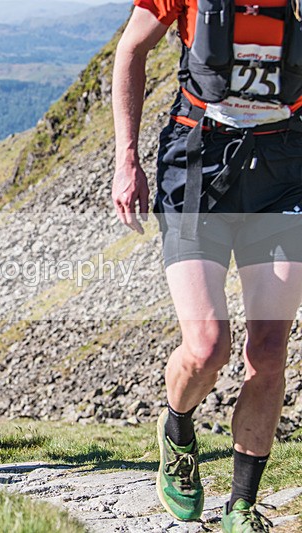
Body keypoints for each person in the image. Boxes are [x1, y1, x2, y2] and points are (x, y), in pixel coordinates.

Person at [113, 2, 302, 531]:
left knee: (267, 351)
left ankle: (242, 506)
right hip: (198, 157)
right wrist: (125, 160)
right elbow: (131, 49)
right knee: (207, 345)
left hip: (287, 163)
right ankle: (177, 428)